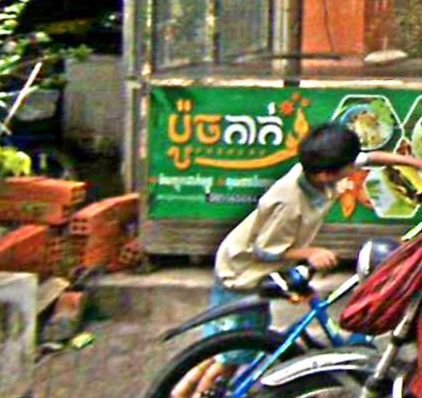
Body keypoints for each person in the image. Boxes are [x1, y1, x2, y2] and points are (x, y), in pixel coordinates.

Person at [175, 122, 422, 398]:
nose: (354, 170)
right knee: (232, 357)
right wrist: (310, 253)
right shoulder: (287, 201)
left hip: (257, 267)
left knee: (222, 346)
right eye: (349, 167)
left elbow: (369, 158)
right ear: (327, 174)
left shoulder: (321, 169)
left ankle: (177, 392)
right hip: (242, 272)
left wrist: (414, 163)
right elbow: (265, 249)